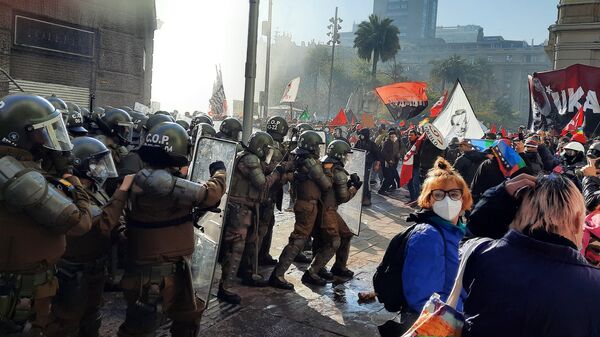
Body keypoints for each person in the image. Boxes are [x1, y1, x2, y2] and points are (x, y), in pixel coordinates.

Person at [118, 122, 226, 337]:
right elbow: (210, 195)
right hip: (154, 278)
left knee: (186, 322)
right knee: (141, 329)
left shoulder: (143, 178)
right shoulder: (159, 183)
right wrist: (220, 174)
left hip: (174, 269)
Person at [461, 174, 600, 337]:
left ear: (516, 215)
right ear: (578, 222)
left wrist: (499, 195)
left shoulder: (482, 255)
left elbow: (467, 239)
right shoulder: (594, 286)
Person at [0, 94, 93, 336]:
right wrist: (72, 180)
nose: (49, 140)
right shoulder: (19, 176)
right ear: (20, 135)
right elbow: (79, 223)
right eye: (43, 132)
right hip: (20, 293)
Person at [47, 137, 131, 337]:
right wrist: (123, 191)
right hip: (73, 270)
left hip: (94, 266)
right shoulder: (65, 190)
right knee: (66, 322)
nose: (101, 168)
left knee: (91, 317)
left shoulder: (93, 188)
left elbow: (109, 219)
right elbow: (102, 222)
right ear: (82, 165)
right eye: (97, 163)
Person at [221, 131, 292, 304]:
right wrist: (278, 172)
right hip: (240, 208)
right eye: (266, 150)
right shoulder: (249, 159)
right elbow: (263, 183)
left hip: (247, 207)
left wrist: (283, 167)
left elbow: (267, 168)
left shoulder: (250, 157)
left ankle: (246, 274)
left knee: (249, 242)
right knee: (236, 247)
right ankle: (226, 288)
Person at [400, 158, 472, 327]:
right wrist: (467, 317)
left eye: (454, 194)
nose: (447, 200)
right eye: (439, 195)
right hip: (437, 325)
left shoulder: (459, 231)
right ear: (428, 199)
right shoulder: (428, 236)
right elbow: (423, 298)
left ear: (463, 198)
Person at [269, 131, 332, 291]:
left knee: (304, 239)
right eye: (317, 145)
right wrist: (328, 172)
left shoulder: (299, 159)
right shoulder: (310, 163)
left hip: (307, 204)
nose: (319, 149)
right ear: (312, 146)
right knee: (298, 239)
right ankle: (278, 275)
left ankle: (315, 270)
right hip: (307, 206)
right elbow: (326, 185)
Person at [303, 140, 361, 285]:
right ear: (340, 155)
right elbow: (343, 197)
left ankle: (339, 267)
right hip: (328, 210)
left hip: (320, 207)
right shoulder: (339, 172)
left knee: (344, 234)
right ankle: (312, 272)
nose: (347, 159)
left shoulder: (323, 164)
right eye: (345, 155)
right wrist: (354, 187)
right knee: (333, 241)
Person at [259, 116, 290, 265]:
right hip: (268, 192)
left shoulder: (264, 141)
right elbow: (277, 169)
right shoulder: (274, 146)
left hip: (267, 190)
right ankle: (255, 261)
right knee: (262, 227)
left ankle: (262, 255)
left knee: (268, 224)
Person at [354, 128, 381, 206]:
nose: (360, 136)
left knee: (366, 182)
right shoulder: (359, 142)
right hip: (359, 164)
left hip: (368, 165)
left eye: (362, 134)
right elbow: (355, 151)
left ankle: (367, 198)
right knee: (358, 180)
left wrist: (377, 164)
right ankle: (359, 197)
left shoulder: (371, 144)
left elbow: (377, 154)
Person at [378, 130, 401, 195]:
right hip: (387, 163)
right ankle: (382, 190)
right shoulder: (387, 143)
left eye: (394, 136)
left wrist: (399, 155)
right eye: (391, 136)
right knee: (388, 177)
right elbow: (383, 152)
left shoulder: (397, 143)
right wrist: (389, 160)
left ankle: (389, 187)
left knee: (391, 176)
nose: (393, 138)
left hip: (394, 163)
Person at [405, 130, 422, 202]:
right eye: (409, 135)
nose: (410, 136)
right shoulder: (409, 143)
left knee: (415, 183)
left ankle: (417, 200)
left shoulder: (419, 144)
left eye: (411, 135)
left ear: (416, 136)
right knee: (409, 184)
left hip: (417, 166)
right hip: (410, 166)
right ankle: (413, 199)